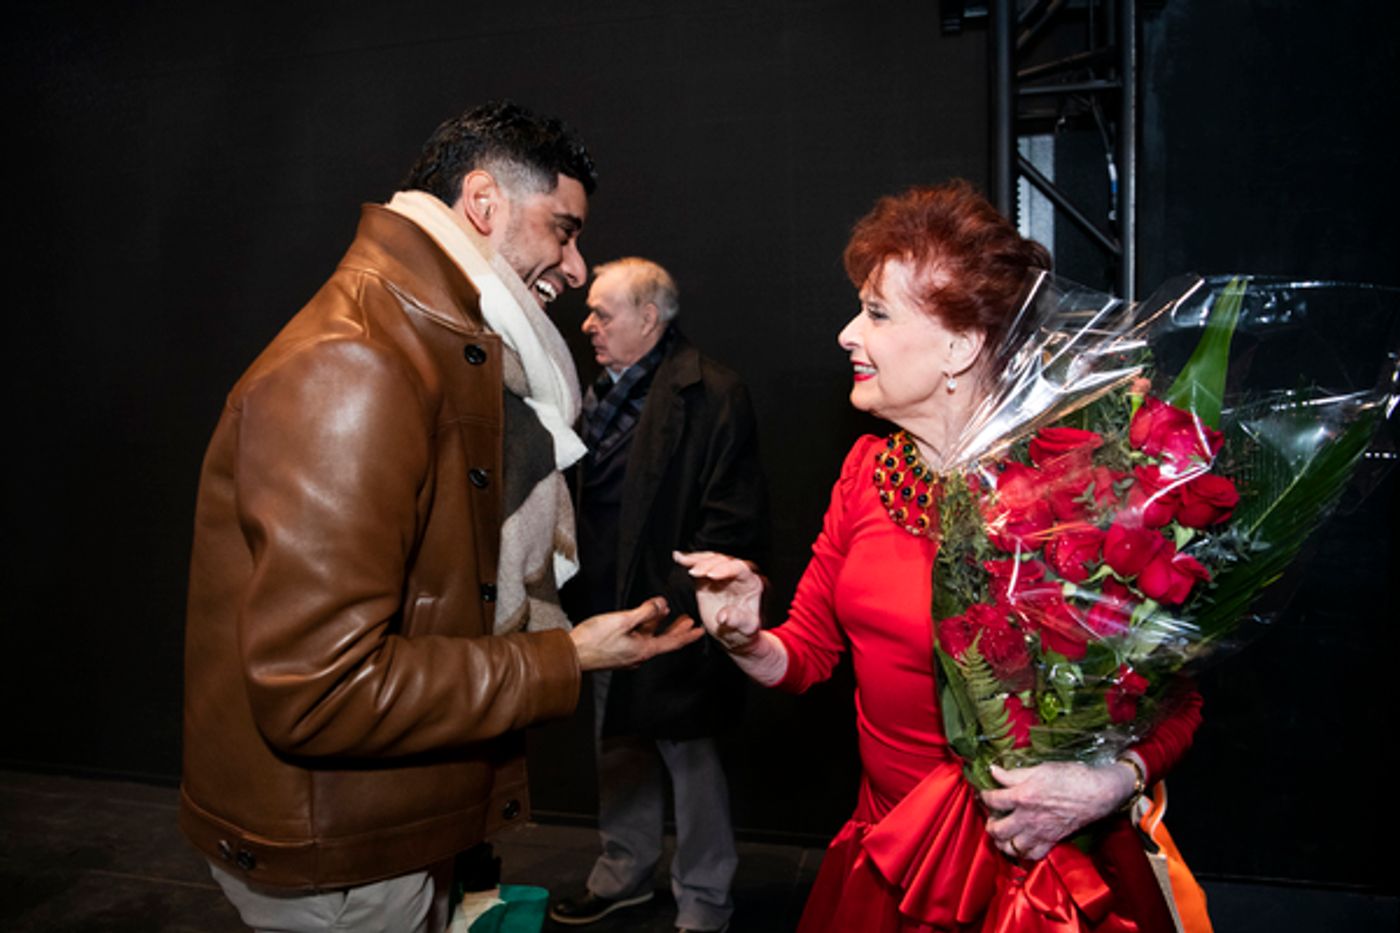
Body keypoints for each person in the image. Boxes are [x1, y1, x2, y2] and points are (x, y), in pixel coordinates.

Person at [179, 101, 702, 933]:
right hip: (343, 856)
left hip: (379, 827)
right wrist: (565, 654)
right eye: (562, 231)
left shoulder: (423, 346)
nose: (575, 267)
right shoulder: (357, 362)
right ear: (483, 203)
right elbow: (321, 691)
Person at [677, 182, 1202, 933]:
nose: (846, 334)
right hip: (888, 855)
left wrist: (1108, 783)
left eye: (878, 313)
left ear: (961, 346)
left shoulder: (1072, 494)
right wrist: (744, 638)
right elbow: (808, 655)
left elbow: (1174, 703)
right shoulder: (867, 472)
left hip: (1026, 874)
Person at [548, 258, 765, 933]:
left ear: (649, 318)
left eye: (602, 313)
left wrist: (668, 606)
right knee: (617, 745)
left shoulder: (715, 392)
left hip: (675, 614)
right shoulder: (593, 394)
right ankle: (624, 872)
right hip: (603, 606)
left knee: (690, 755)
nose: (587, 324)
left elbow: (731, 520)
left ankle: (703, 900)